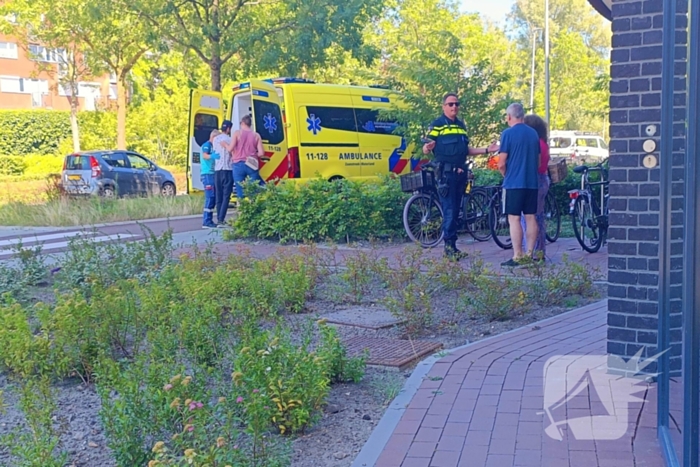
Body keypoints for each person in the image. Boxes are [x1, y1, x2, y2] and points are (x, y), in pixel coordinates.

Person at [423, 93, 499, 260]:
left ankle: (454, 247)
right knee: (449, 209)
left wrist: (487, 150)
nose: (454, 107)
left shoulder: (461, 126)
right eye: (450, 104)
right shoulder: (438, 125)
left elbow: (466, 150)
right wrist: (428, 148)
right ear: (444, 106)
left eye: (456, 104)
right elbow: (427, 146)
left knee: (456, 210)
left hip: (460, 173)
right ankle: (448, 247)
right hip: (446, 175)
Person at [496, 103, 541, 267]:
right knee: (530, 217)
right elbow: (538, 160)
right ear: (522, 116)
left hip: (513, 183)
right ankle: (530, 254)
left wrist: (506, 175)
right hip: (531, 183)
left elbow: (501, 163)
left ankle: (517, 255)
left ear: (509, 116)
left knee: (514, 219)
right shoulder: (533, 134)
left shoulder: (507, 134)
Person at [521, 114, 551, 261]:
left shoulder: (535, 143)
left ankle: (532, 251)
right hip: (543, 178)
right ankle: (539, 250)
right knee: (538, 216)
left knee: (529, 217)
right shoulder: (543, 143)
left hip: (535, 179)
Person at [225, 115, 266, 200]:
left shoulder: (237, 133)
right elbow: (261, 153)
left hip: (238, 164)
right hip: (252, 163)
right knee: (252, 191)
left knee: (240, 191)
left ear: (242, 123)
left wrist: (224, 144)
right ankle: (252, 210)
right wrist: (253, 155)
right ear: (250, 124)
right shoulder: (256, 135)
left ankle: (241, 211)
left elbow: (230, 149)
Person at [213, 120, 233, 227]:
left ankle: (218, 219)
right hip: (227, 169)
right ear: (229, 129)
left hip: (217, 170)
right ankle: (221, 219)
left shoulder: (215, 139)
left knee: (219, 196)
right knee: (226, 196)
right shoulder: (229, 139)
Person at [200, 129, 221, 229]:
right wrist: (212, 156)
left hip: (212, 174)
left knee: (213, 198)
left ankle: (209, 220)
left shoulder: (213, 146)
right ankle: (206, 221)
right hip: (207, 174)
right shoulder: (207, 145)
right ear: (213, 137)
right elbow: (205, 155)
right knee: (210, 197)